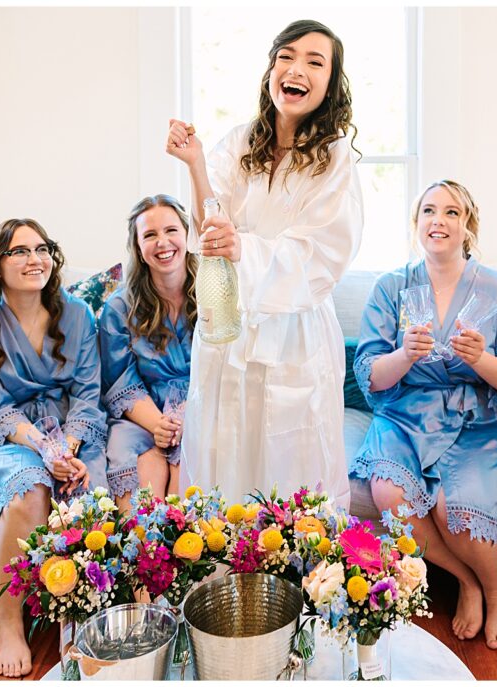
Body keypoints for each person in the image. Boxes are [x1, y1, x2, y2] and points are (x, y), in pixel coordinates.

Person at [165, 19, 363, 505]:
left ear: (331, 83)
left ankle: (292, 577)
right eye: (286, 56)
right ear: (271, 69)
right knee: (223, 454)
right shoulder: (239, 141)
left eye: (315, 62)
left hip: (294, 334)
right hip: (230, 326)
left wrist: (244, 249)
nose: (296, 69)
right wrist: (194, 165)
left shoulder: (335, 158)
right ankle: (223, 575)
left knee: (291, 467)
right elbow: (212, 221)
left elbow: (323, 251)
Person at [352, 180, 497, 649]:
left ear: (467, 225)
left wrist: (482, 361)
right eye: (429, 211)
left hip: (479, 415)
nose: (439, 220)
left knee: (457, 507)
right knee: (389, 492)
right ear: (416, 223)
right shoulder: (391, 287)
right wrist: (403, 356)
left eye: (452, 212)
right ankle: (469, 582)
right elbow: (369, 374)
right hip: (407, 415)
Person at [0, 219, 107, 677]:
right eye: (19, 251)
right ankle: (9, 619)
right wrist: (45, 449)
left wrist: (69, 446)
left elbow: (88, 391)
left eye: (41, 249)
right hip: (10, 437)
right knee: (30, 488)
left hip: (71, 431)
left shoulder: (77, 314)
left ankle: (15, 608)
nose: (34, 259)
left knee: (92, 489)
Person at [99, 195, 195, 508]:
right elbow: (121, 381)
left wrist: (184, 421)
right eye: (150, 235)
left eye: (171, 230)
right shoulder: (118, 307)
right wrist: (159, 425)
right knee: (144, 510)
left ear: (187, 235)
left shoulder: (214, 290)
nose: (162, 242)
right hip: (141, 417)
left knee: (186, 506)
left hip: (200, 411)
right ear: (138, 248)